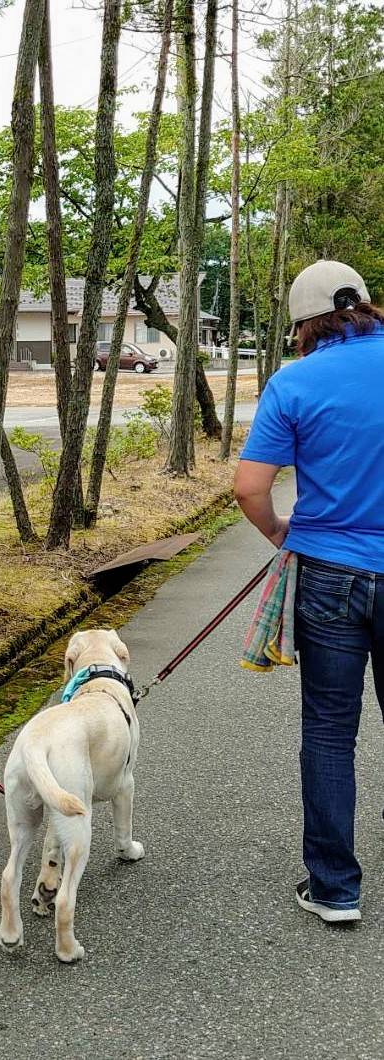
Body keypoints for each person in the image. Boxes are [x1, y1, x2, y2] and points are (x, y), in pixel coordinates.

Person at [235, 260, 384, 924]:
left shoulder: (293, 382)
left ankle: (335, 889)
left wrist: (278, 533)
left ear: (304, 324)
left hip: (327, 572)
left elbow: (250, 487)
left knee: (329, 731)